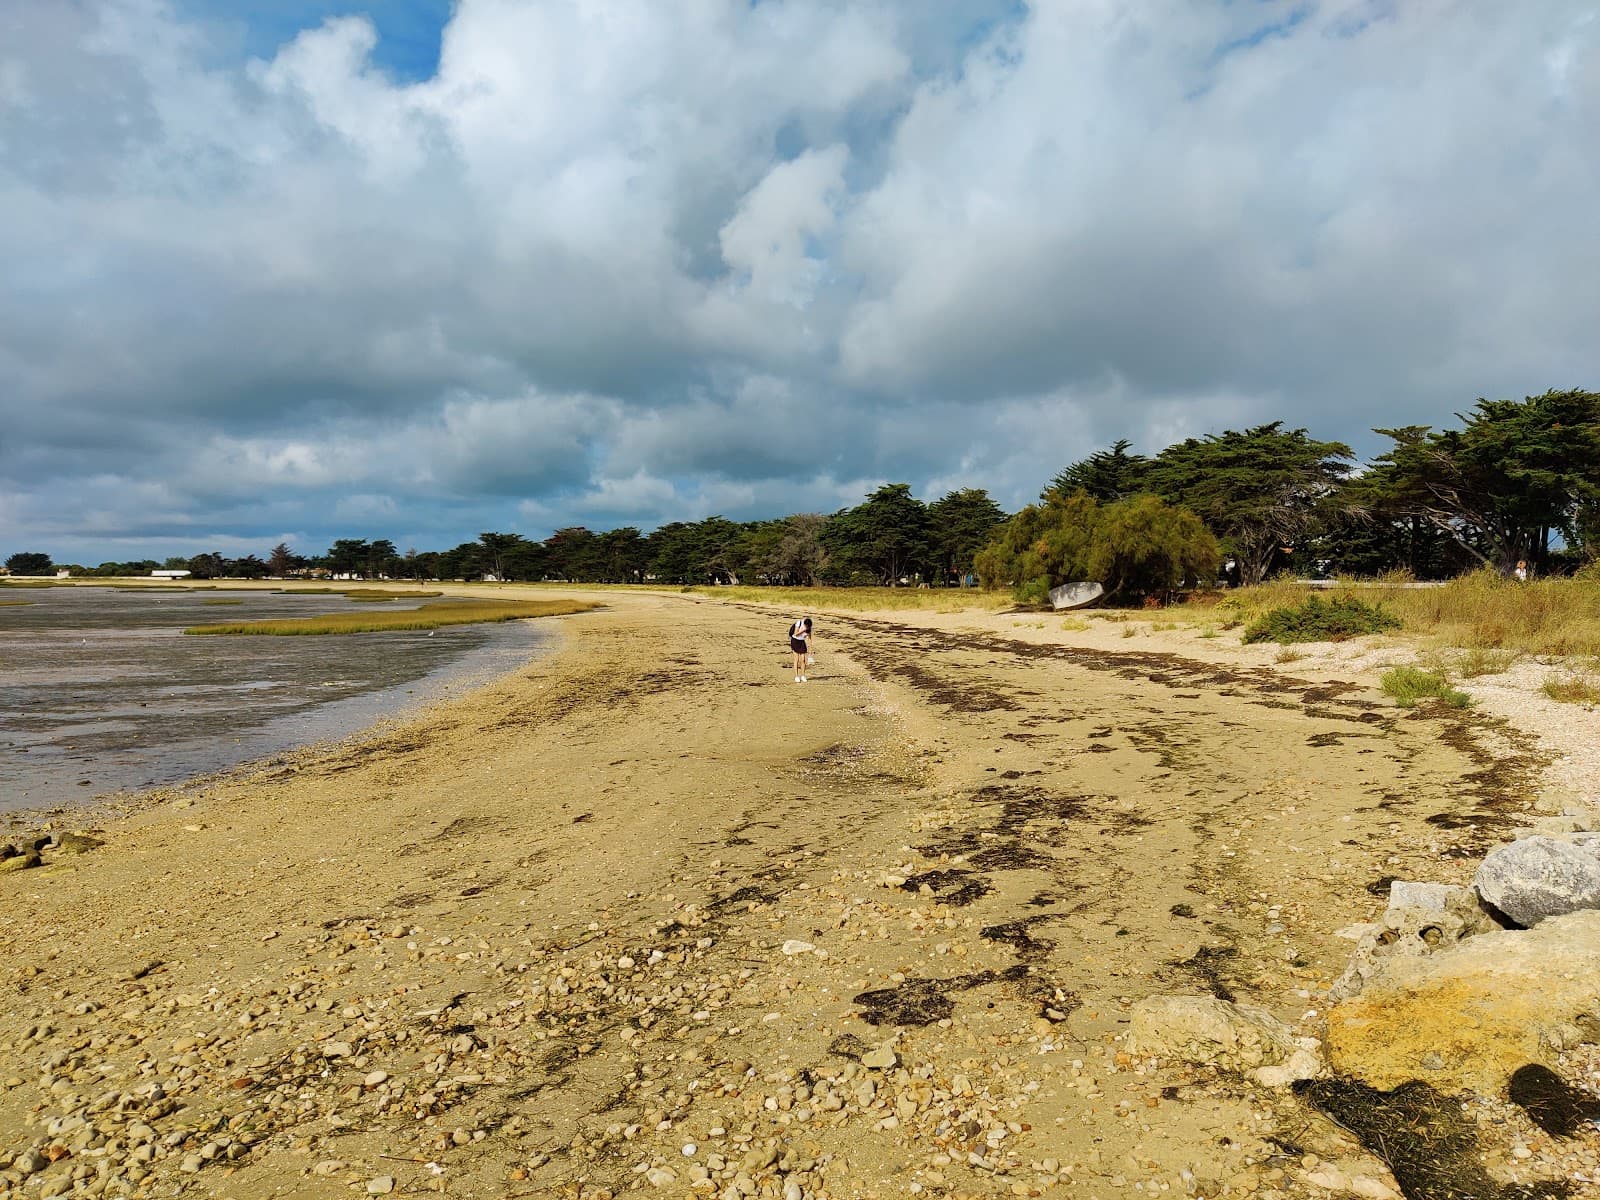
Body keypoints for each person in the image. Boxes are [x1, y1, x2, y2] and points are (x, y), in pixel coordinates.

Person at [788, 616, 812, 682]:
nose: (807, 627)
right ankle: (796, 676)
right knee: (796, 659)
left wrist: (810, 649)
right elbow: (796, 634)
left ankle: (803, 676)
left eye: (808, 626)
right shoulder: (799, 623)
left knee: (803, 659)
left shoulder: (809, 628)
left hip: (802, 642)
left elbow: (809, 639)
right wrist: (803, 630)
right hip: (795, 641)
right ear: (804, 624)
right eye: (806, 626)